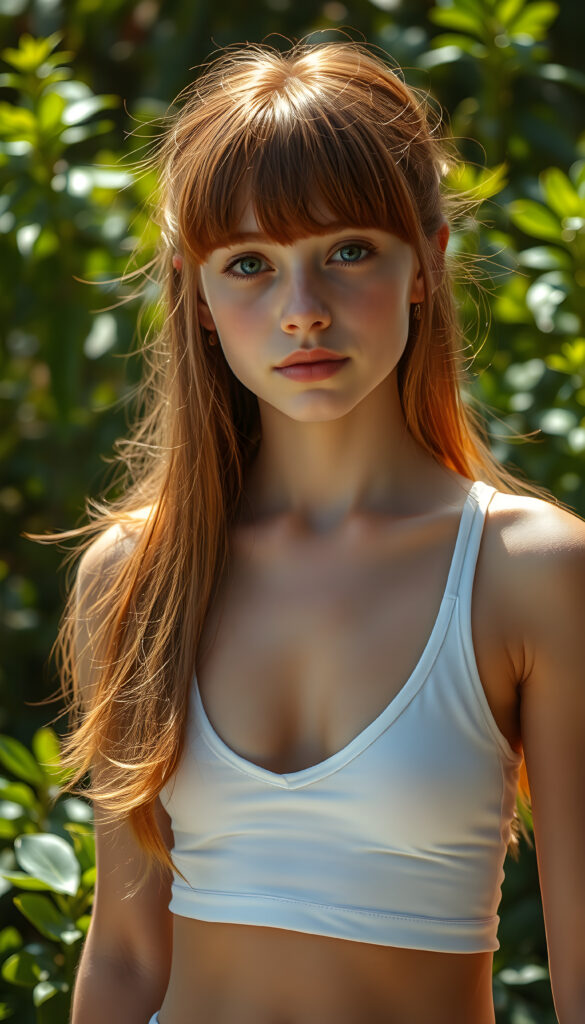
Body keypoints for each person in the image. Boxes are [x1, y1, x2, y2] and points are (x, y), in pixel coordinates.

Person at [47, 38, 585, 1024]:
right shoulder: (132, 574)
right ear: (197, 296)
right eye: (249, 264)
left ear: (427, 262)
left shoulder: (529, 571)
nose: (301, 312)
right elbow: (125, 959)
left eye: (347, 251)